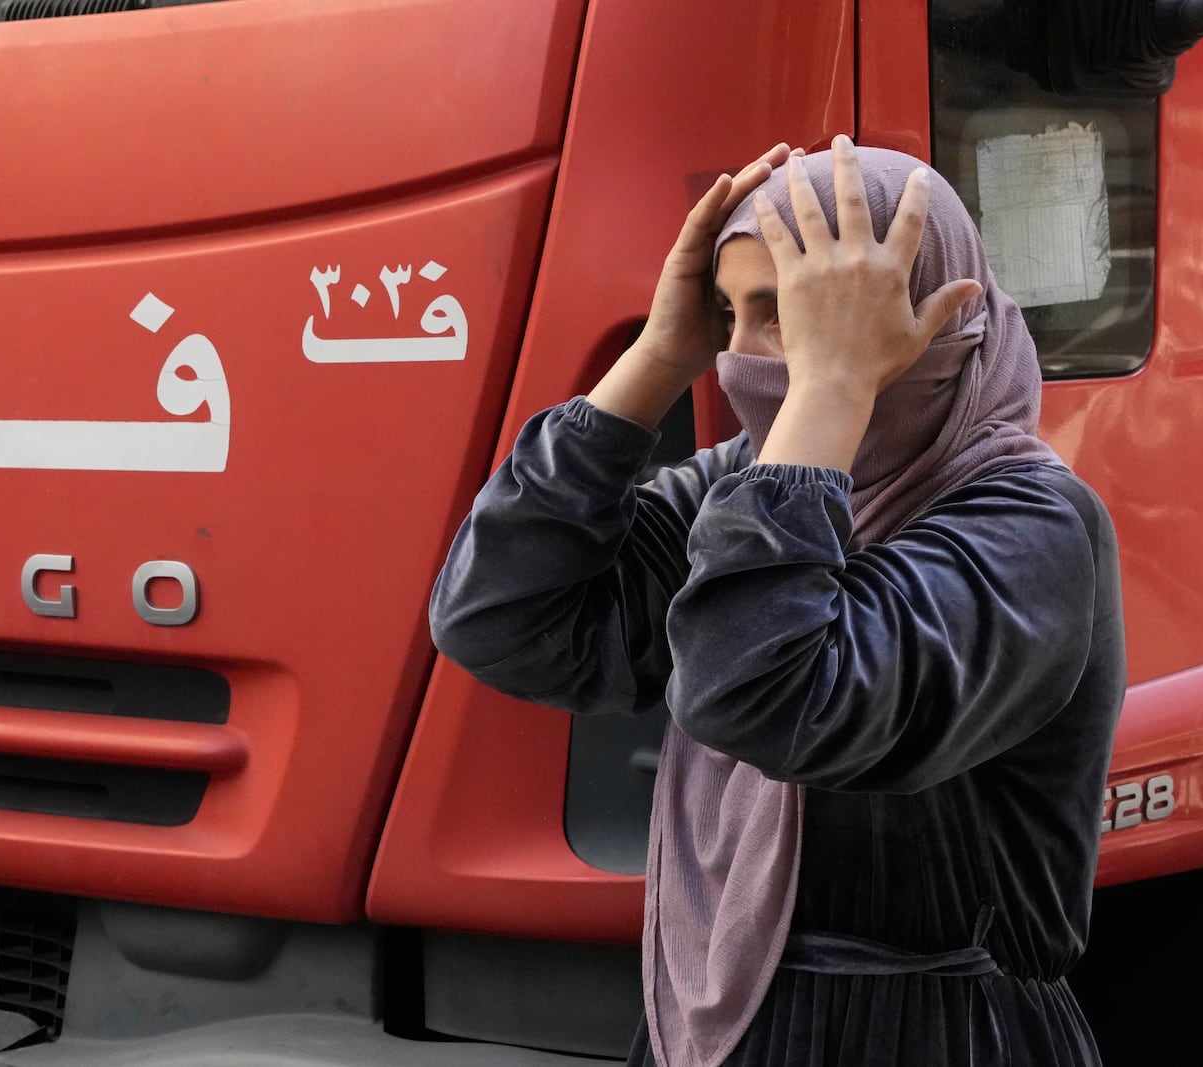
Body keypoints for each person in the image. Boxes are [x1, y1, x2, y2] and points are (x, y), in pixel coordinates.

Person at [429, 135, 1126, 1066]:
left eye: (798, 317)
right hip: (714, 1022)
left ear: (927, 317)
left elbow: (772, 693)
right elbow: (501, 617)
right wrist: (659, 355)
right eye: (732, 317)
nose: (751, 357)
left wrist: (831, 384)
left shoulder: (1030, 526)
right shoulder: (753, 485)